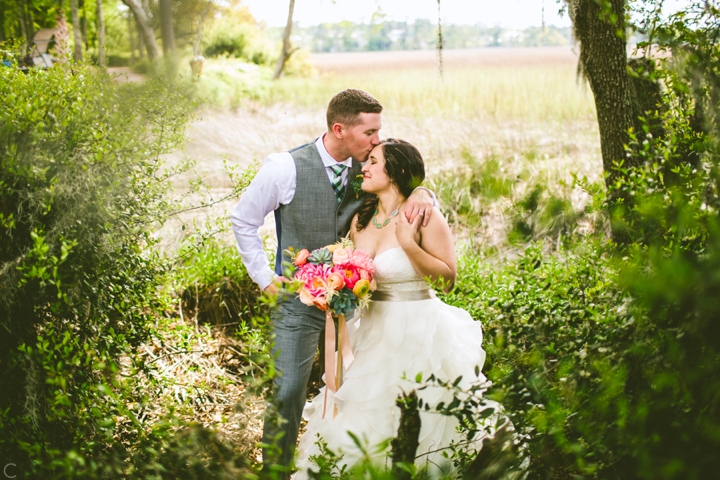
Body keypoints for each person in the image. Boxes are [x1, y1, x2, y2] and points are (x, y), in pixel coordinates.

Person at [230, 89, 435, 473]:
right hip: (297, 303)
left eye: (378, 131)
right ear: (340, 129)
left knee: (358, 394)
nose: (377, 140)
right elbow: (243, 220)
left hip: (358, 307)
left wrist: (425, 191)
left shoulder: (372, 167)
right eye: (369, 132)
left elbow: (408, 188)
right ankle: (275, 471)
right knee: (288, 391)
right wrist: (263, 278)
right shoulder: (285, 167)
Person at [293, 139, 488, 478]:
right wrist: (331, 286)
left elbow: (447, 280)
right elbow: (356, 272)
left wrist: (409, 244)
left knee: (412, 421)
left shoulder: (423, 217)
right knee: (362, 411)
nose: (363, 168)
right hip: (370, 330)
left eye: (372, 161)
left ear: (396, 170)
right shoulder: (361, 219)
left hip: (418, 332)